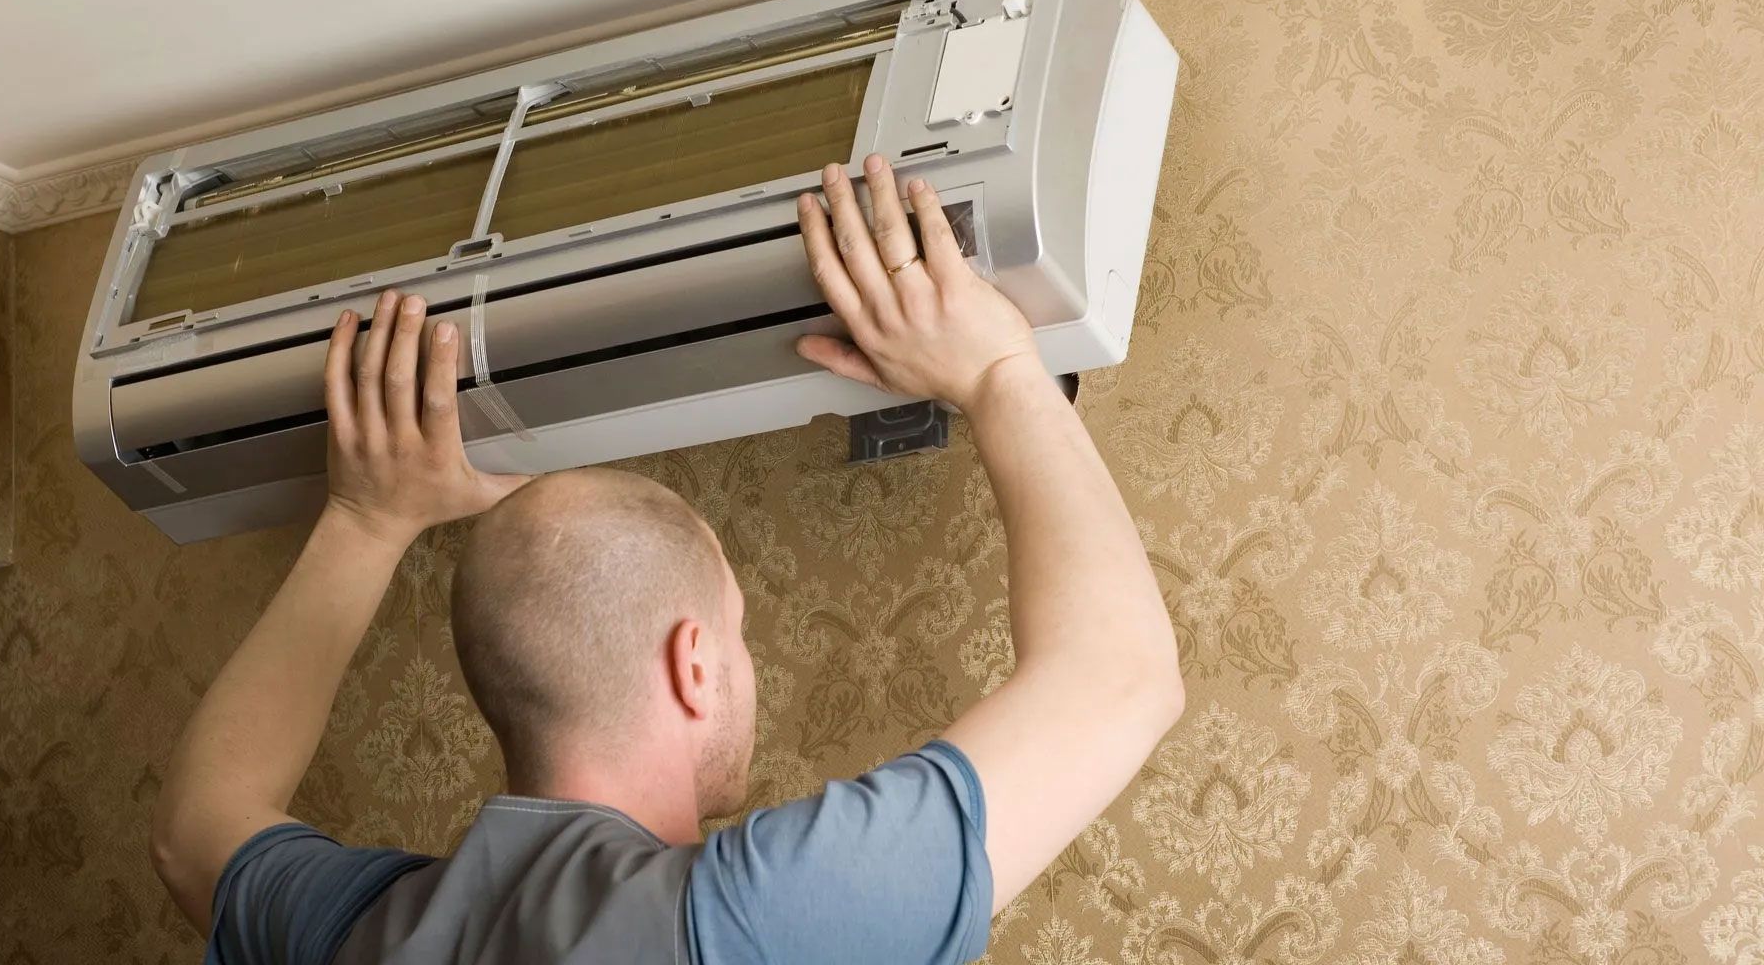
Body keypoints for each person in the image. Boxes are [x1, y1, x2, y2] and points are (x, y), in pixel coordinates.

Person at [150, 154, 1184, 964]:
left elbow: (195, 832)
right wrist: (1003, 367)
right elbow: (1120, 682)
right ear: (693, 663)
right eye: (739, 637)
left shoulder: (364, 932)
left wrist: (366, 521)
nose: (745, 665)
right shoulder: (748, 922)